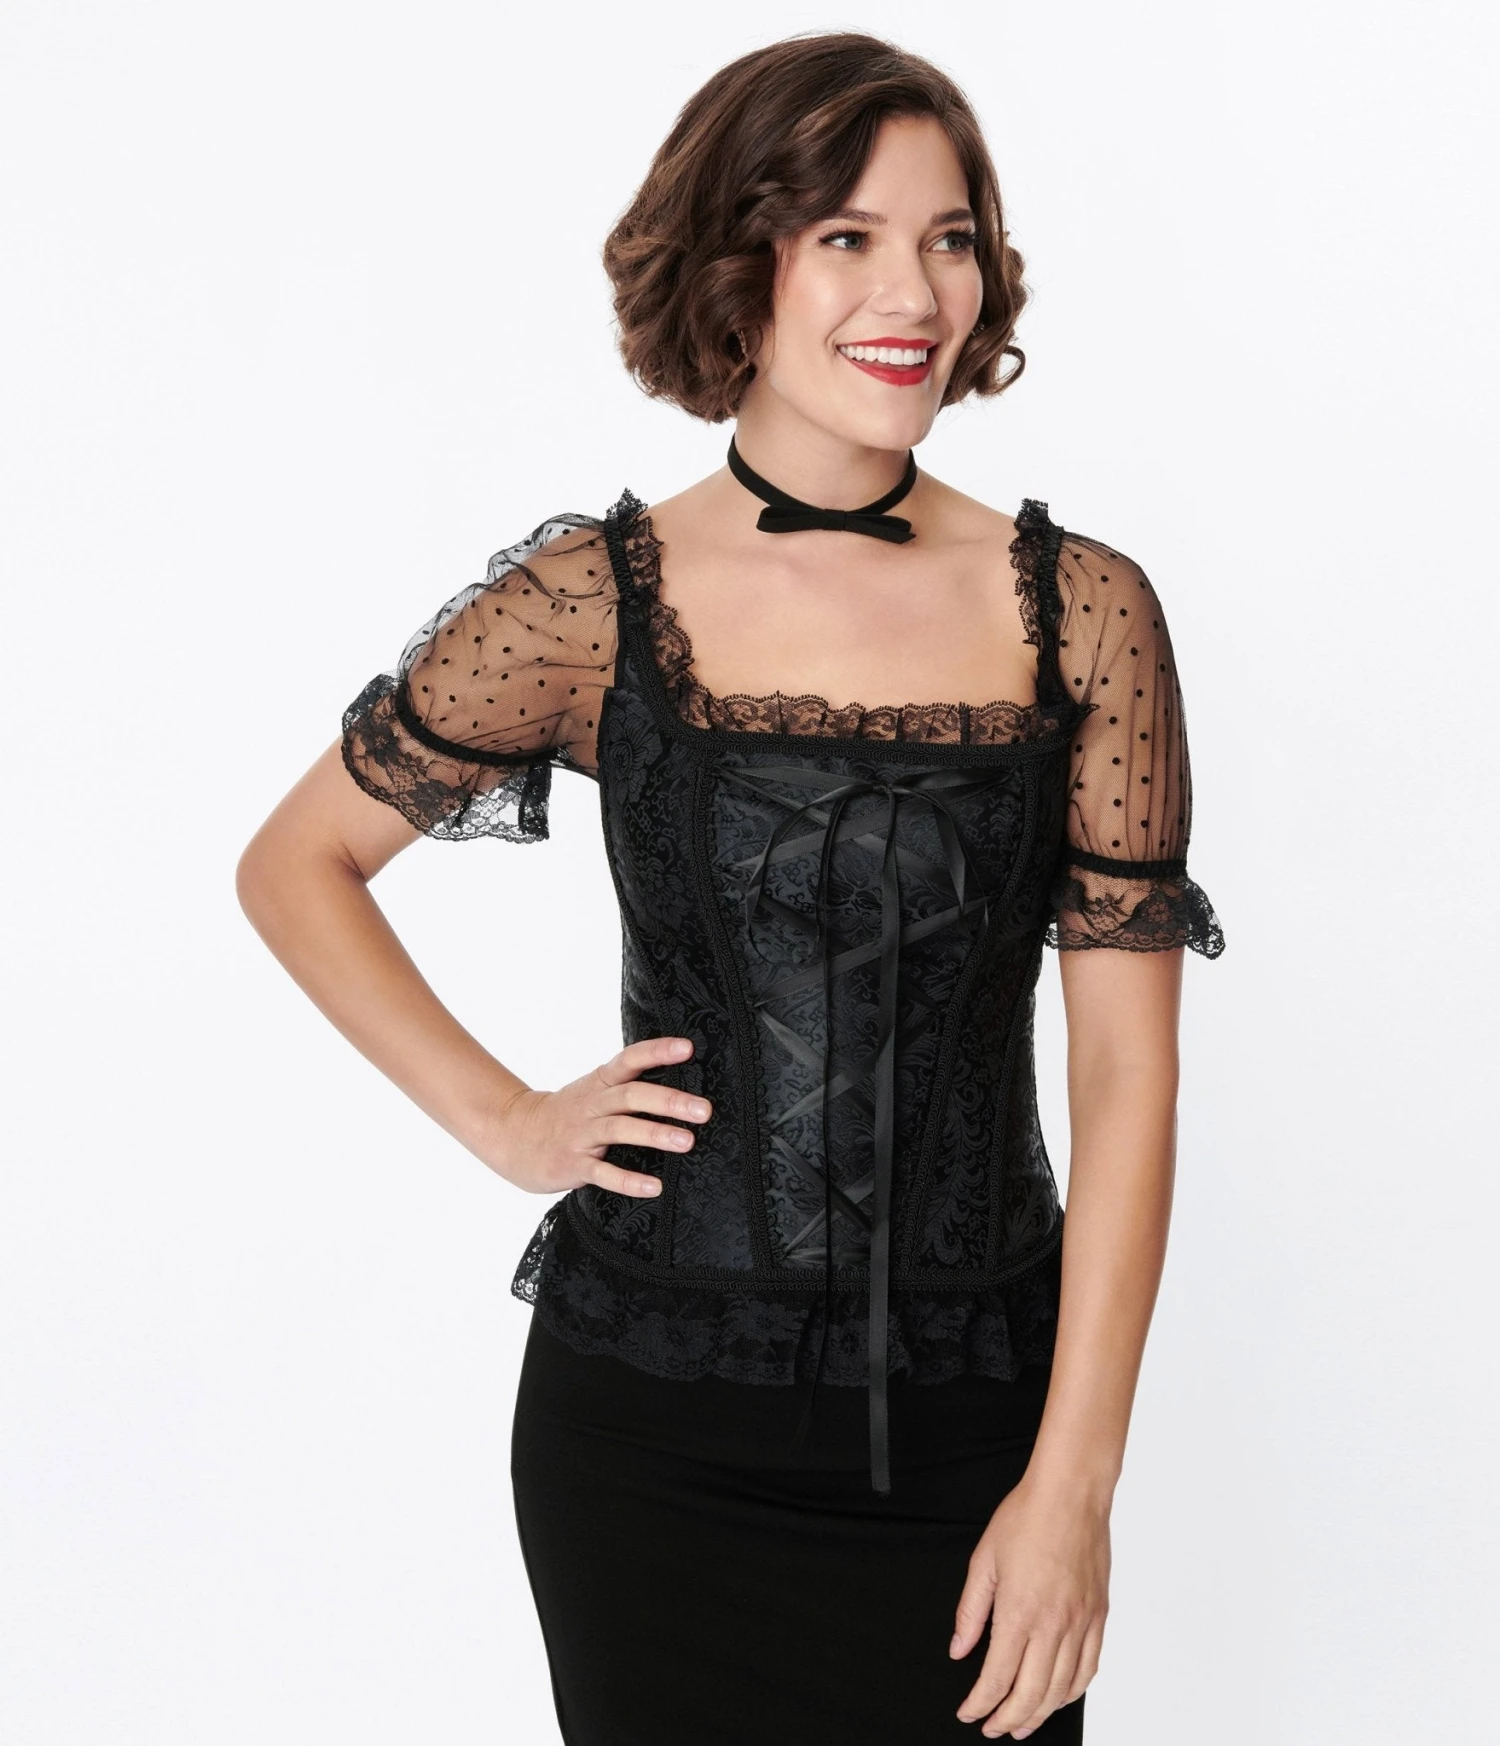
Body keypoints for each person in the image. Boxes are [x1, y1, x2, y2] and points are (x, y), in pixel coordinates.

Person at [237, 30, 1225, 1746]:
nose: (911, 290)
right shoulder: (592, 603)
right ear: (737, 266)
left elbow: (1128, 1071)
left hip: (981, 1435)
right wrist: (508, 1118)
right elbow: (295, 861)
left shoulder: (1083, 611)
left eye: (949, 237)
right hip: (650, 1440)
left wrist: (1076, 1482)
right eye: (847, 235)